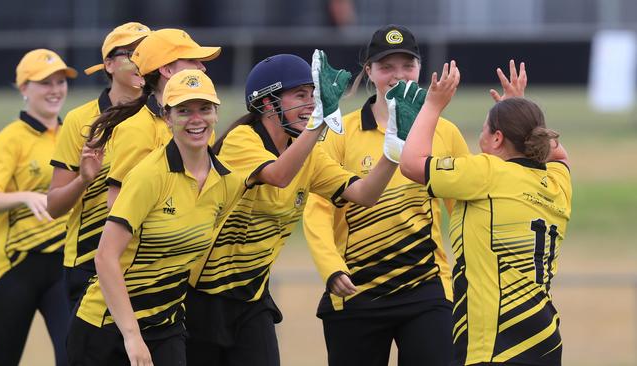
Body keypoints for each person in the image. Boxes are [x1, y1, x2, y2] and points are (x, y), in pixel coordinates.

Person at [184, 51, 400, 366]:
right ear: (268, 104)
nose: (312, 102)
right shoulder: (241, 140)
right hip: (198, 299)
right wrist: (318, 122)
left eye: (314, 95)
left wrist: (394, 148)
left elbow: (366, 194)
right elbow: (279, 176)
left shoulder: (307, 153)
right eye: (300, 95)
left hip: (252, 298)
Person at [302, 24, 470, 366]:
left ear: (420, 68)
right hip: (355, 289)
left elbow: (466, 208)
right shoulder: (341, 133)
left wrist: (475, 272)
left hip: (427, 287)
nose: (398, 75)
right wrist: (331, 268)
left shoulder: (445, 132)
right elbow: (317, 210)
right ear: (369, 71)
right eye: (386, 67)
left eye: (407, 65)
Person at [66, 69, 246, 366]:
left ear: (216, 114)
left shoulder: (229, 183)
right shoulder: (148, 176)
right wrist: (132, 336)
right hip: (107, 328)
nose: (196, 119)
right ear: (167, 116)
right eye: (184, 110)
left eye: (204, 109)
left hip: (166, 326)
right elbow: (105, 258)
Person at [399, 60, 571, 366]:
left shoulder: (486, 172)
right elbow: (559, 153)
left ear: (497, 139)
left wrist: (432, 106)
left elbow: (412, 163)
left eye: (484, 130)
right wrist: (520, 108)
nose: (480, 137)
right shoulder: (558, 183)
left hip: (496, 345)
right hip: (545, 340)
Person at [47, 21, 151, 311]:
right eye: (132, 53)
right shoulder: (79, 121)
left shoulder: (168, 117)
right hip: (88, 263)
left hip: (152, 263)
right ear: (108, 64)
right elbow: (54, 206)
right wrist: (83, 179)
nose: (142, 60)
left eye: (149, 52)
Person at [0, 48, 76, 366]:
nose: (55, 90)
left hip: (62, 267)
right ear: (24, 88)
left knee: (71, 356)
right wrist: (26, 196)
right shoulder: (10, 139)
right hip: (15, 268)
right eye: (44, 83)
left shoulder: (73, 134)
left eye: (60, 82)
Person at [86, 28, 219, 207]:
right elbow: (117, 203)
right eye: (191, 60)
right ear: (166, 70)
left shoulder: (201, 126)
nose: (202, 67)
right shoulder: (136, 129)